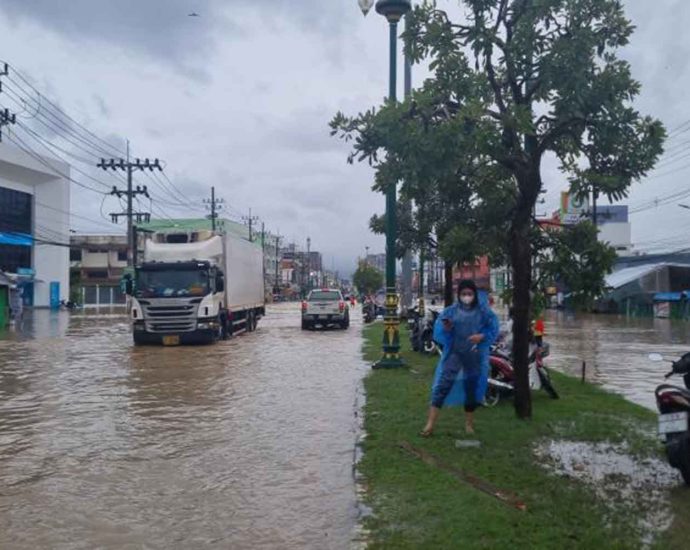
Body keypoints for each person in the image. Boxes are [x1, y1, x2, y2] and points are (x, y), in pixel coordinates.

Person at [420, 279, 499, 437]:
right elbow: (441, 332)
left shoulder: (483, 311)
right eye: (463, 293)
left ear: (474, 294)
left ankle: (469, 424)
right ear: (459, 295)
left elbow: (493, 328)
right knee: (443, 385)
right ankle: (430, 424)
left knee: (471, 387)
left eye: (469, 293)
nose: (467, 296)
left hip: (474, 354)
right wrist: (448, 328)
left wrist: (481, 336)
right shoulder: (451, 311)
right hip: (455, 353)